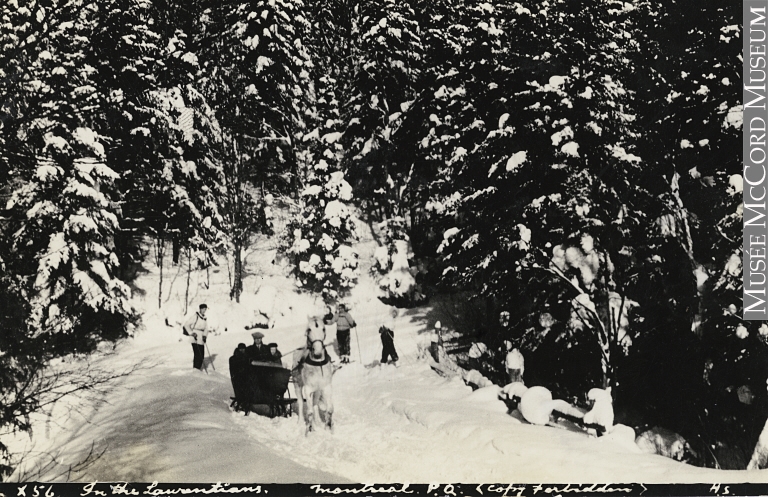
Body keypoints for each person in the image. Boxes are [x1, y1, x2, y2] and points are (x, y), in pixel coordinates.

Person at [183, 303, 209, 370]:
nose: (204, 310)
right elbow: (186, 324)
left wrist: (205, 336)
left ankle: (198, 369)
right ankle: (196, 369)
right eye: (203, 309)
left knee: (202, 355)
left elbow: (206, 328)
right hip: (195, 337)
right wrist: (191, 333)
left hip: (201, 337)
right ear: (200, 309)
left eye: (205, 309)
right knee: (197, 354)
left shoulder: (204, 318)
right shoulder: (196, 316)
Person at [229, 343, 249, 412]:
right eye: (241, 349)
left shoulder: (247, 357)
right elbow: (233, 370)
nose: (242, 350)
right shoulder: (233, 358)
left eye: (243, 349)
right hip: (238, 378)